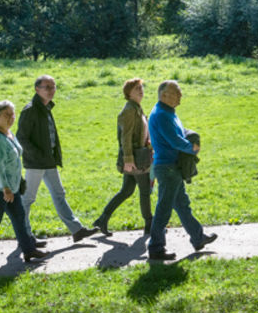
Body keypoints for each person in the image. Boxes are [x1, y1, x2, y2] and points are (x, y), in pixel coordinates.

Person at [17, 75, 98, 244]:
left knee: (59, 194)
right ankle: (24, 237)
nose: (51, 90)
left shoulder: (46, 108)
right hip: (36, 163)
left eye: (53, 87)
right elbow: (21, 138)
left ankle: (76, 230)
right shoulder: (30, 110)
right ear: (37, 90)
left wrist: (52, 156)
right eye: (47, 87)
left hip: (48, 161)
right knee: (27, 199)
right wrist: (38, 155)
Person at [147, 80, 217, 261]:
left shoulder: (168, 113)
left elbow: (179, 132)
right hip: (167, 167)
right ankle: (155, 247)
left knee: (182, 205)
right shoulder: (162, 114)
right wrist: (192, 148)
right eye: (176, 93)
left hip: (172, 166)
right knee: (164, 208)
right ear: (164, 95)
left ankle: (198, 237)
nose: (180, 96)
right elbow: (174, 140)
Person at [0, 100, 47, 269]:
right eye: (7, 115)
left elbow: (12, 162)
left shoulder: (7, 133)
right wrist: (5, 188)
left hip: (11, 188)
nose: (12, 118)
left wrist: (17, 182)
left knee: (19, 217)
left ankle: (28, 250)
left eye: (13, 114)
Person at [92, 78, 155, 237]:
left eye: (141, 87)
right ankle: (150, 224)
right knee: (145, 191)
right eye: (136, 89)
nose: (140, 90)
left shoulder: (137, 108)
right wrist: (128, 160)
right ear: (128, 93)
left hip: (138, 155)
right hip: (135, 159)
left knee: (127, 191)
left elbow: (138, 133)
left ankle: (102, 219)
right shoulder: (129, 110)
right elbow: (125, 137)